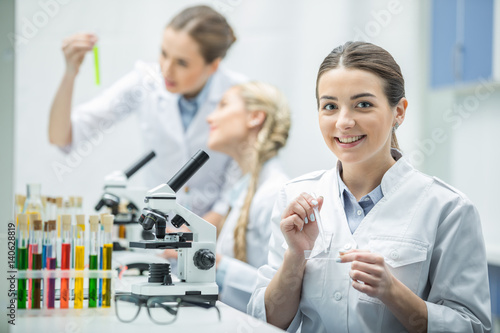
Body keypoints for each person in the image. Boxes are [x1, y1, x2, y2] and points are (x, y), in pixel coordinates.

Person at [248, 41, 492, 332]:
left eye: (363, 104)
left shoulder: (448, 209)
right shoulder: (295, 198)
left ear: (399, 112)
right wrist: (295, 257)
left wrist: (393, 293)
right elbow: (268, 321)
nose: (344, 121)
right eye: (330, 106)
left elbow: (473, 327)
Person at [48, 5, 246, 217]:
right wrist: (70, 72)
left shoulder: (240, 95)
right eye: (164, 53)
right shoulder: (145, 82)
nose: (166, 69)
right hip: (158, 228)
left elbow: (242, 174)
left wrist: (207, 225)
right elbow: (62, 138)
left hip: (218, 234)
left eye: (182, 62)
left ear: (213, 65)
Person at [206, 81, 290, 312]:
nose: (209, 118)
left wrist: (213, 263)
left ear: (255, 117)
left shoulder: (275, 194)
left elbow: (285, 293)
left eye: (223, 105)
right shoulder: (242, 191)